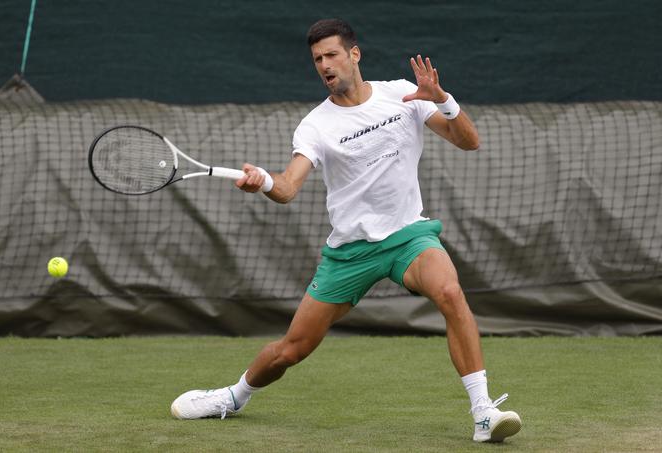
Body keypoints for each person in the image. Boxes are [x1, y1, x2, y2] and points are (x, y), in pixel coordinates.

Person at [171, 18, 522, 443]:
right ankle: (233, 396)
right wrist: (262, 181)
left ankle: (483, 412)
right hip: (350, 251)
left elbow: (469, 141)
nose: (324, 65)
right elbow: (287, 188)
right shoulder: (316, 125)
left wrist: (444, 100)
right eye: (317, 59)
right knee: (292, 350)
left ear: (354, 55)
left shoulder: (403, 95)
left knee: (449, 292)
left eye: (332, 54)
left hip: (407, 236)